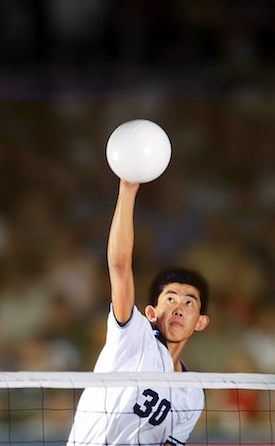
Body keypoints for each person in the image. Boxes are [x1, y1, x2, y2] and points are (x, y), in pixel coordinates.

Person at [67, 180, 210, 446]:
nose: (179, 308)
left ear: (200, 322)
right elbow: (119, 266)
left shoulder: (192, 395)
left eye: (189, 302)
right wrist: (127, 190)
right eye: (170, 299)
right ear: (151, 313)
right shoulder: (134, 335)